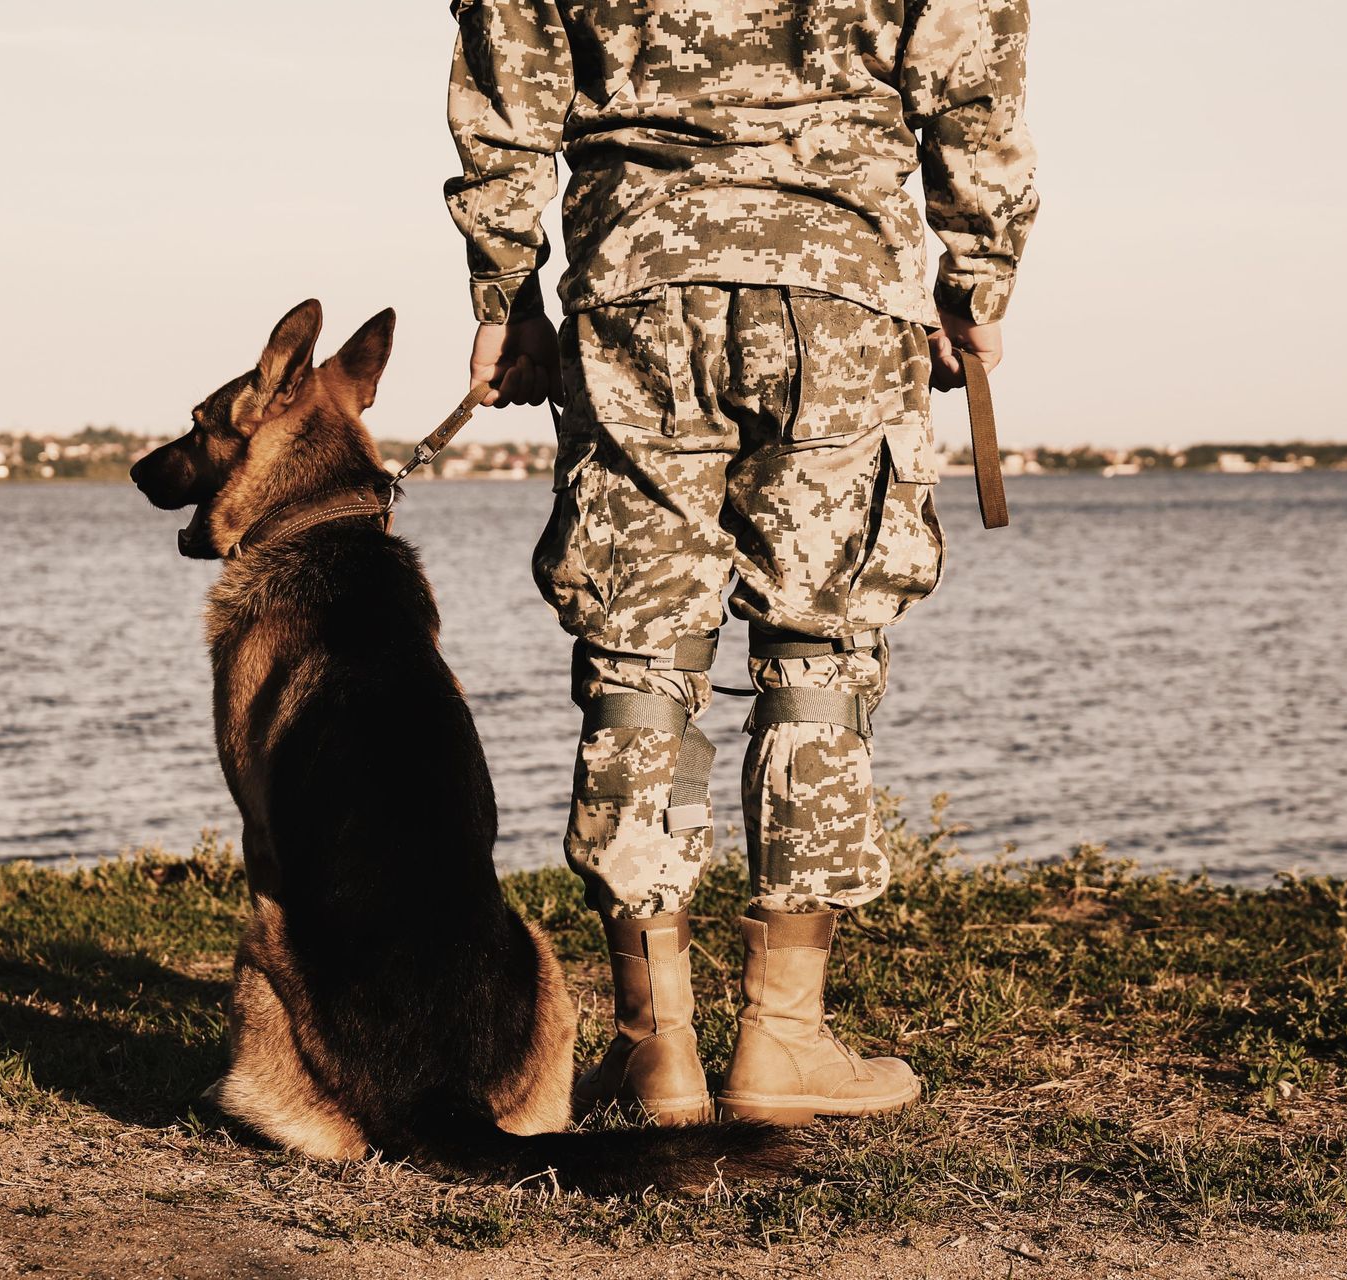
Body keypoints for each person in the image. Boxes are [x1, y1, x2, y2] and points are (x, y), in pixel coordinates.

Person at [445, 0, 1038, 1127]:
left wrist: (503, 294)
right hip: (842, 279)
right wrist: (975, 286)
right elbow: (976, 79)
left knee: (639, 648)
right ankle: (784, 1037)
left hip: (639, 281)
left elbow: (505, 87)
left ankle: (654, 1047)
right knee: (820, 645)